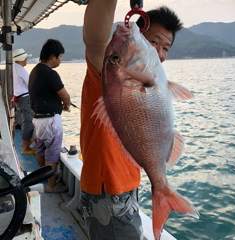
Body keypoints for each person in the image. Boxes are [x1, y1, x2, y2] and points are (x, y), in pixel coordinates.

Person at [79, 1, 182, 239]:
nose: (160, 52)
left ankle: (161, 191)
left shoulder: (152, 76)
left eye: (166, 47)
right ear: (138, 34)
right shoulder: (110, 72)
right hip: (109, 192)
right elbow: (95, 41)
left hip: (125, 189)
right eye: (153, 42)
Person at [28, 39, 71, 193]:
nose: (60, 60)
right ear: (53, 56)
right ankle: (51, 186)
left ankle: (45, 177)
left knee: (40, 150)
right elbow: (65, 96)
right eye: (60, 56)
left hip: (38, 120)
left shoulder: (35, 70)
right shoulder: (50, 73)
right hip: (51, 121)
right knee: (52, 155)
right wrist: (67, 104)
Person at [13, 48, 35, 154]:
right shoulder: (21, 70)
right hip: (24, 98)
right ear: (22, 59)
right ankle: (25, 148)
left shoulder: (12, 68)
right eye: (26, 58)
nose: (26, 60)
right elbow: (30, 84)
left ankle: (23, 142)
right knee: (28, 122)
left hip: (18, 97)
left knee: (24, 120)